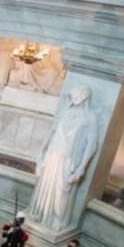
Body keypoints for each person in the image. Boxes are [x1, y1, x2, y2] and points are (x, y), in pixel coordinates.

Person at [30, 84, 98, 232]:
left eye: (77, 94)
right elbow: (51, 132)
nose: (74, 98)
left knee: (62, 189)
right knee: (45, 184)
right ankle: (41, 212)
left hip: (69, 160)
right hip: (52, 154)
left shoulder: (89, 117)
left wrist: (81, 168)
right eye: (72, 95)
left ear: (85, 95)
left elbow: (91, 145)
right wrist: (40, 154)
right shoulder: (66, 110)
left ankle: (58, 219)